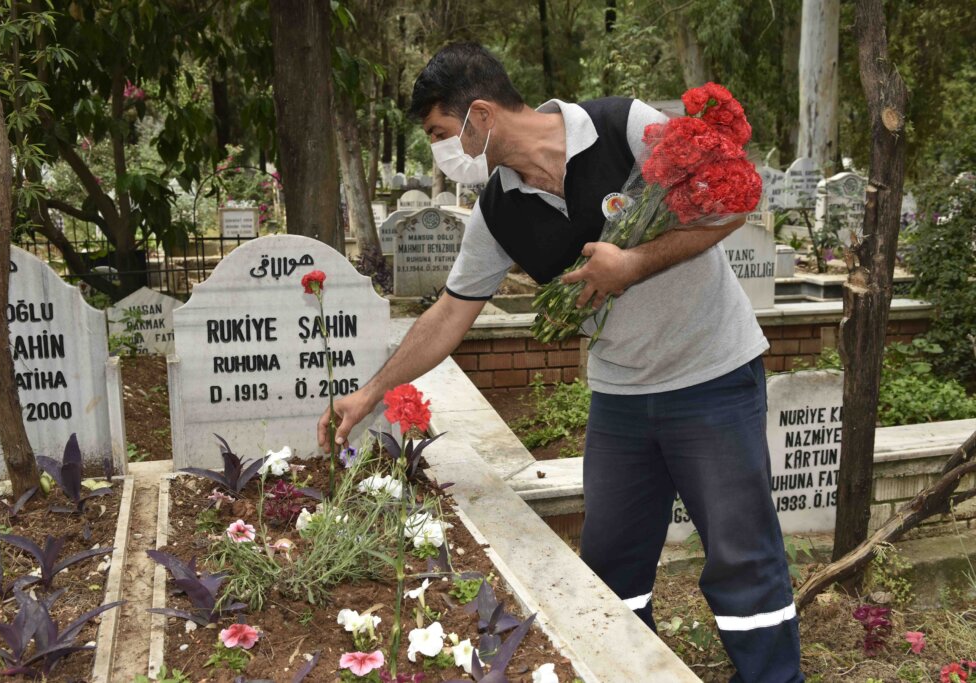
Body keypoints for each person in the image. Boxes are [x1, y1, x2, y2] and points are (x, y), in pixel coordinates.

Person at [318, 42, 803, 683]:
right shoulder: (498, 210)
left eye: (439, 134)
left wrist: (633, 263)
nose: (439, 151)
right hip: (621, 397)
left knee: (742, 556)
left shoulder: (621, 126)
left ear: (481, 116)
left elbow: (731, 204)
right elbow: (449, 313)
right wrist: (370, 391)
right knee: (611, 568)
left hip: (710, 376)